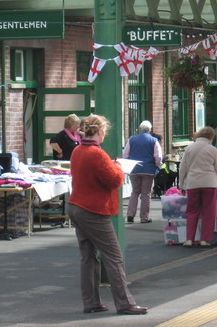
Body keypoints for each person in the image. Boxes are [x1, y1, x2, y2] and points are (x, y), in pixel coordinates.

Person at [67, 114, 148, 316]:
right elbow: (114, 180)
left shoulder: (78, 150)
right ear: (101, 132)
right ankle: (125, 303)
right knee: (114, 257)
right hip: (93, 210)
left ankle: (91, 302)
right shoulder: (97, 154)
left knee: (88, 258)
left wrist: (111, 166)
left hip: (76, 206)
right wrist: (119, 167)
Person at [178, 126, 217, 247]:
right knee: (208, 211)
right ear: (211, 137)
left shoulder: (189, 148)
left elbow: (182, 168)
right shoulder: (212, 149)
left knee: (192, 211)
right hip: (209, 183)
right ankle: (205, 239)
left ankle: (189, 239)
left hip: (193, 183)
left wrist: (181, 184)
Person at [123, 120, 163, 223]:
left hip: (134, 169)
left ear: (140, 129)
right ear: (150, 130)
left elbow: (125, 154)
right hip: (148, 170)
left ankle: (130, 214)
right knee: (146, 194)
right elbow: (158, 156)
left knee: (135, 192)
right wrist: (158, 165)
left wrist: (128, 165)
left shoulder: (131, 139)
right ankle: (144, 217)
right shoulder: (154, 140)